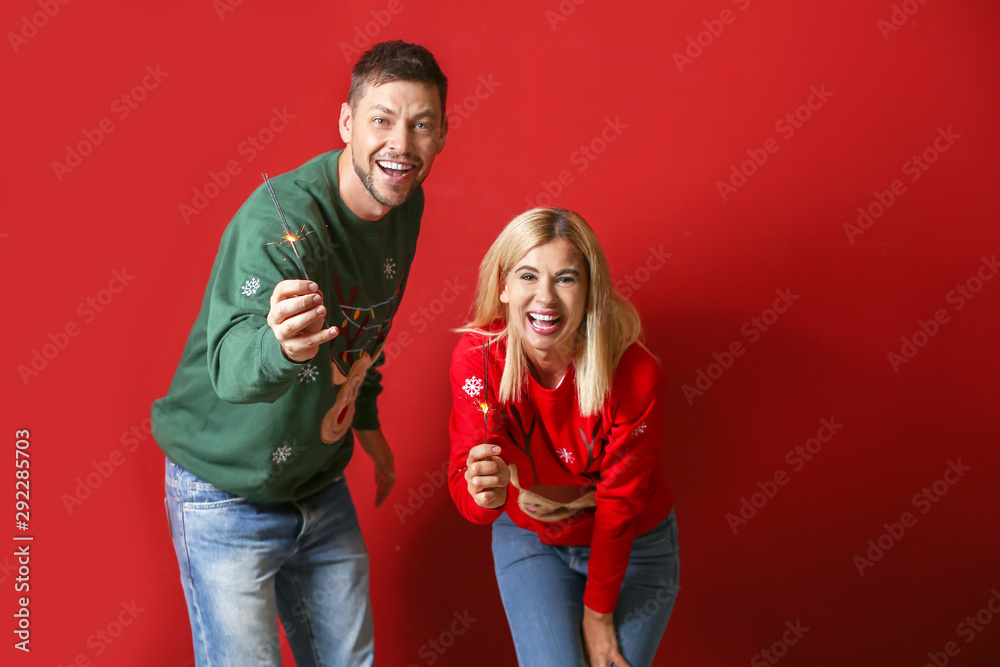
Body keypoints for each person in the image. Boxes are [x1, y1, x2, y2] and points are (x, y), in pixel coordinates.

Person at [152, 40, 448, 666]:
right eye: (382, 120)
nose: (402, 143)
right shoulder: (275, 225)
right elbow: (233, 369)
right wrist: (281, 347)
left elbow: (369, 324)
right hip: (225, 489)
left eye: (421, 124)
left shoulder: (405, 200)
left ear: (442, 135)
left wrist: (365, 422)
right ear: (346, 123)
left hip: (318, 480)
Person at [449, 208, 678, 667]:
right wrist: (484, 495)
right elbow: (471, 494)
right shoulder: (479, 359)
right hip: (530, 539)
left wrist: (599, 617)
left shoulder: (636, 375)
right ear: (503, 286)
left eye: (566, 279)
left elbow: (618, 506)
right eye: (528, 276)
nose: (545, 298)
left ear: (591, 290)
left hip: (632, 544)